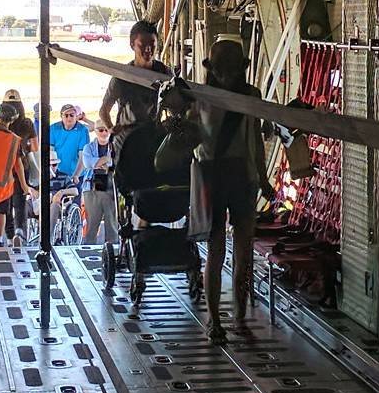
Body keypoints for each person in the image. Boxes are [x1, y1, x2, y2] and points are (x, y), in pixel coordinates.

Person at [187, 38, 272, 345]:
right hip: (212, 176)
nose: (227, 74)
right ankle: (214, 319)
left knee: (244, 251)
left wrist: (263, 179)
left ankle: (238, 315)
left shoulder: (252, 96)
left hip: (242, 175)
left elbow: (255, 142)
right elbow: (187, 135)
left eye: (231, 69)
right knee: (216, 248)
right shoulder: (198, 97)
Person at [0, 102, 38, 247]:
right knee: (2, 211)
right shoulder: (14, 140)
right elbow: (19, 165)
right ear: (11, 120)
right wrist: (24, 185)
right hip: (5, 182)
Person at [99, 20, 172, 135]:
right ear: (132, 45)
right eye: (143, 44)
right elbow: (104, 110)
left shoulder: (165, 74)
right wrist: (110, 127)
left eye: (152, 43)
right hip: (126, 138)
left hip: (152, 137)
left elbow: (177, 106)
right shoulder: (122, 76)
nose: (148, 49)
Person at [0, 89, 38, 244]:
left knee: (5, 201)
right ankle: (20, 231)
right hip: (22, 165)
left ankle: (7, 235)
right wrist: (24, 146)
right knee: (20, 200)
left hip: (0, 168)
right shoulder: (27, 123)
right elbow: (35, 147)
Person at [81, 121, 118, 250]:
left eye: (106, 130)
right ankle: (88, 249)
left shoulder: (115, 147)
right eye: (100, 130)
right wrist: (107, 160)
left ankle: (113, 249)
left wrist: (101, 162)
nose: (104, 133)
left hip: (111, 185)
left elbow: (115, 163)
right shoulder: (88, 148)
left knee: (111, 221)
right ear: (95, 131)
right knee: (92, 222)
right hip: (92, 186)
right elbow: (89, 163)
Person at [49, 103, 90, 188]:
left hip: (76, 174)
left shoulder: (83, 130)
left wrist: (76, 175)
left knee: (75, 200)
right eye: (66, 115)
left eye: (72, 115)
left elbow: (82, 156)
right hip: (57, 174)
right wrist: (51, 172)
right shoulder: (53, 128)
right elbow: (50, 151)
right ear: (61, 116)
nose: (69, 118)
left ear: (76, 116)